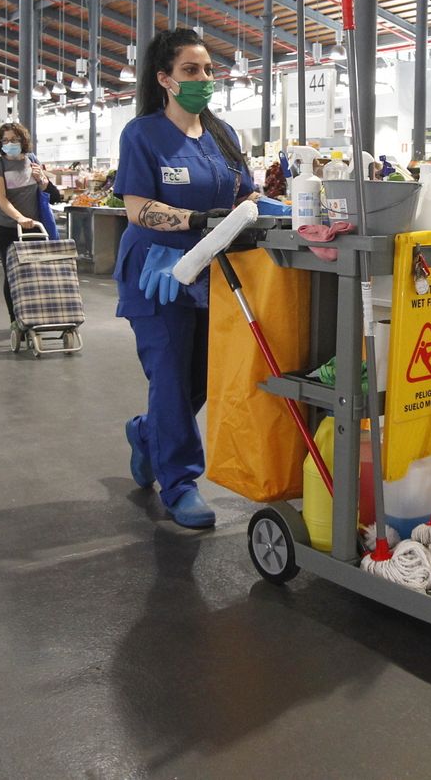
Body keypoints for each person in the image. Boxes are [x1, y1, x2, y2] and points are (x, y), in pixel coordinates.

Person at [114, 27, 257, 529]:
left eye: (208, 70)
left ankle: (148, 434)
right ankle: (179, 483)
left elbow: (244, 197)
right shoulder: (143, 134)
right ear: (165, 79)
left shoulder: (223, 135)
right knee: (172, 378)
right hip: (159, 273)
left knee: (204, 376)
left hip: (213, 274)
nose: (203, 79)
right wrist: (193, 222)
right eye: (191, 71)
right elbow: (136, 208)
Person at [0, 121, 59, 328]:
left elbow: (47, 191)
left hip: (35, 226)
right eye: (6, 140)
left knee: (35, 272)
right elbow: (1, 199)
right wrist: (19, 218)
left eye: (14, 139)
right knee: (13, 272)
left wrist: (42, 180)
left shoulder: (32, 160)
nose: (10, 143)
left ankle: (33, 315)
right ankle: (15, 320)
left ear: (23, 140)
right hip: (7, 226)